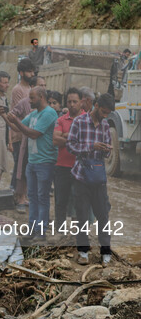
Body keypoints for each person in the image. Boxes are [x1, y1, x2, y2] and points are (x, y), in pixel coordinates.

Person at [1, 87, 57, 237]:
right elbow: (15, 127)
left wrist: (16, 121)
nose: (29, 101)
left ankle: (41, 231)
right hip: (32, 161)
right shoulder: (34, 114)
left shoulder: (49, 113)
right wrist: (5, 116)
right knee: (32, 196)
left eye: (32, 98)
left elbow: (33, 134)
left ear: (41, 97)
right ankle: (33, 228)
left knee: (42, 197)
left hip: (45, 162)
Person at [67, 93, 115, 267]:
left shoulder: (105, 126)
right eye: (103, 111)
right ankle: (83, 252)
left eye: (107, 113)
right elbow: (70, 145)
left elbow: (108, 152)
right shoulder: (79, 122)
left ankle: (106, 253)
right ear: (95, 105)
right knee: (82, 215)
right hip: (81, 175)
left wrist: (106, 149)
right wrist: (90, 147)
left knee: (103, 215)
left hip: (98, 177)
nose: (104, 116)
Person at [53, 88, 84, 228]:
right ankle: (60, 230)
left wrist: (65, 136)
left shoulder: (87, 119)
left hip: (81, 167)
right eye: (69, 101)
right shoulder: (61, 119)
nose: (72, 104)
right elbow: (55, 140)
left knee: (80, 201)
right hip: (62, 166)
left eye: (75, 101)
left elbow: (86, 142)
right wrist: (73, 140)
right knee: (60, 200)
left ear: (81, 102)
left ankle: (78, 234)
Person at [10, 58, 36, 191]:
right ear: (21, 73)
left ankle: (20, 193)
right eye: (29, 72)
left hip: (28, 133)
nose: (32, 74)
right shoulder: (18, 89)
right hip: (19, 133)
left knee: (24, 165)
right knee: (18, 166)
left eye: (33, 71)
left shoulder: (31, 88)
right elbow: (19, 112)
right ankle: (14, 192)